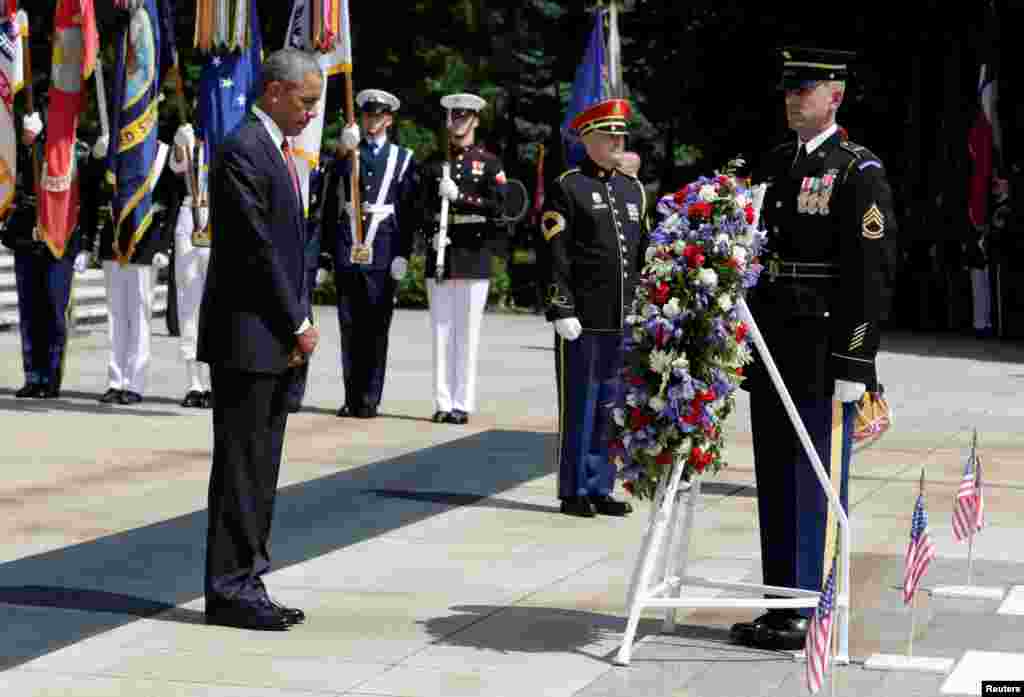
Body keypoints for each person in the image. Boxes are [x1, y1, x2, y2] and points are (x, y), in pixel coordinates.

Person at [730, 47, 897, 651]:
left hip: (826, 349)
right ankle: (782, 602)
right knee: (774, 474)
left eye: (807, 89)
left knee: (815, 476)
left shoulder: (858, 170)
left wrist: (859, 361)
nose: (794, 99)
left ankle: (812, 604)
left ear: (836, 96)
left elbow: (871, 275)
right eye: (789, 90)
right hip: (774, 346)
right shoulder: (775, 163)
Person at [197, 48, 322, 631]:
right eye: (305, 101)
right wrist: (298, 324)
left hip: (270, 340)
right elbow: (256, 251)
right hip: (249, 338)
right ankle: (229, 591)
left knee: (260, 469)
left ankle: (247, 581)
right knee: (242, 470)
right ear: (274, 90)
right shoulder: (243, 149)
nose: (310, 113)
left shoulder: (274, 149)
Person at [541, 98, 645, 518]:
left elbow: (642, 254)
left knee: (612, 407)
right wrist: (561, 306)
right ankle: (574, 489)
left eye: (621, 135)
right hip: (582, 320)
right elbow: (555, 253)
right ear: (587, 140)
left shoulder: (631, 188)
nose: (617, 142)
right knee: (580, 405)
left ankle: (602, 484)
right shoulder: (568, 186)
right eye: (608, 135)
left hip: (623, 318)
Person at [321, 89, 417, 419]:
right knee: (349, 325)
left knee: (376, 327)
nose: (371, 121)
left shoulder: (402, 157)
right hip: (350, 247)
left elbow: (408, 209)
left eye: (377, 116)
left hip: (383, 248)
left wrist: (404, 252)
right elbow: (329, 195)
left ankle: (370, 398)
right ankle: (352, 396)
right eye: (366, 116)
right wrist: (342, 150)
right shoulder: (349, 153)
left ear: (388, 119)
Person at [420, 92, 505, 425]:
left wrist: (464, 197)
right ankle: (442, 401)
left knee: (467, 334)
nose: (458, 123)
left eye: (464, 117)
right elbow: (421, 208)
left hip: (473, 254)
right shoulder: (433, 162)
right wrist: (431, 235)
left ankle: (462, 402)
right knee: (441, 333)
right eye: (453, 117)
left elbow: (499, 208)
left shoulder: (489, 162)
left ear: (475, 121)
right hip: (441, 254)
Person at [1, 111, 98, 398]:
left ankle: (51, 377)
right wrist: (29, 144)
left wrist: (85, 244)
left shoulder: (77, 152)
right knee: (29, 312)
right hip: (27, 237)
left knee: (55, 311)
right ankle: (33, 375)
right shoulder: (24, 148)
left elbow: (90, 200)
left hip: (61, 240)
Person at [95, 138, 172, 406]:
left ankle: (135, 382)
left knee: (139, 315)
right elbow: (95, 190)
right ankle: (115, 380)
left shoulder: (161, 152)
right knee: (116, 315)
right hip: (114, 239)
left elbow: (170, 199)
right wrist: (98, 158)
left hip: (144, 241)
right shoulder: (115, 146)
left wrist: (164, 245)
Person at [168, 123, 213, 408]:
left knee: (218, 301)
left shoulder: (230, 138)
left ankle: (215, 380)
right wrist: (179, 146)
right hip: (190, 213)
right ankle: (194, 382)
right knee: (189, 302)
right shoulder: (190, 141)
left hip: (220, 214)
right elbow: (175, 172)